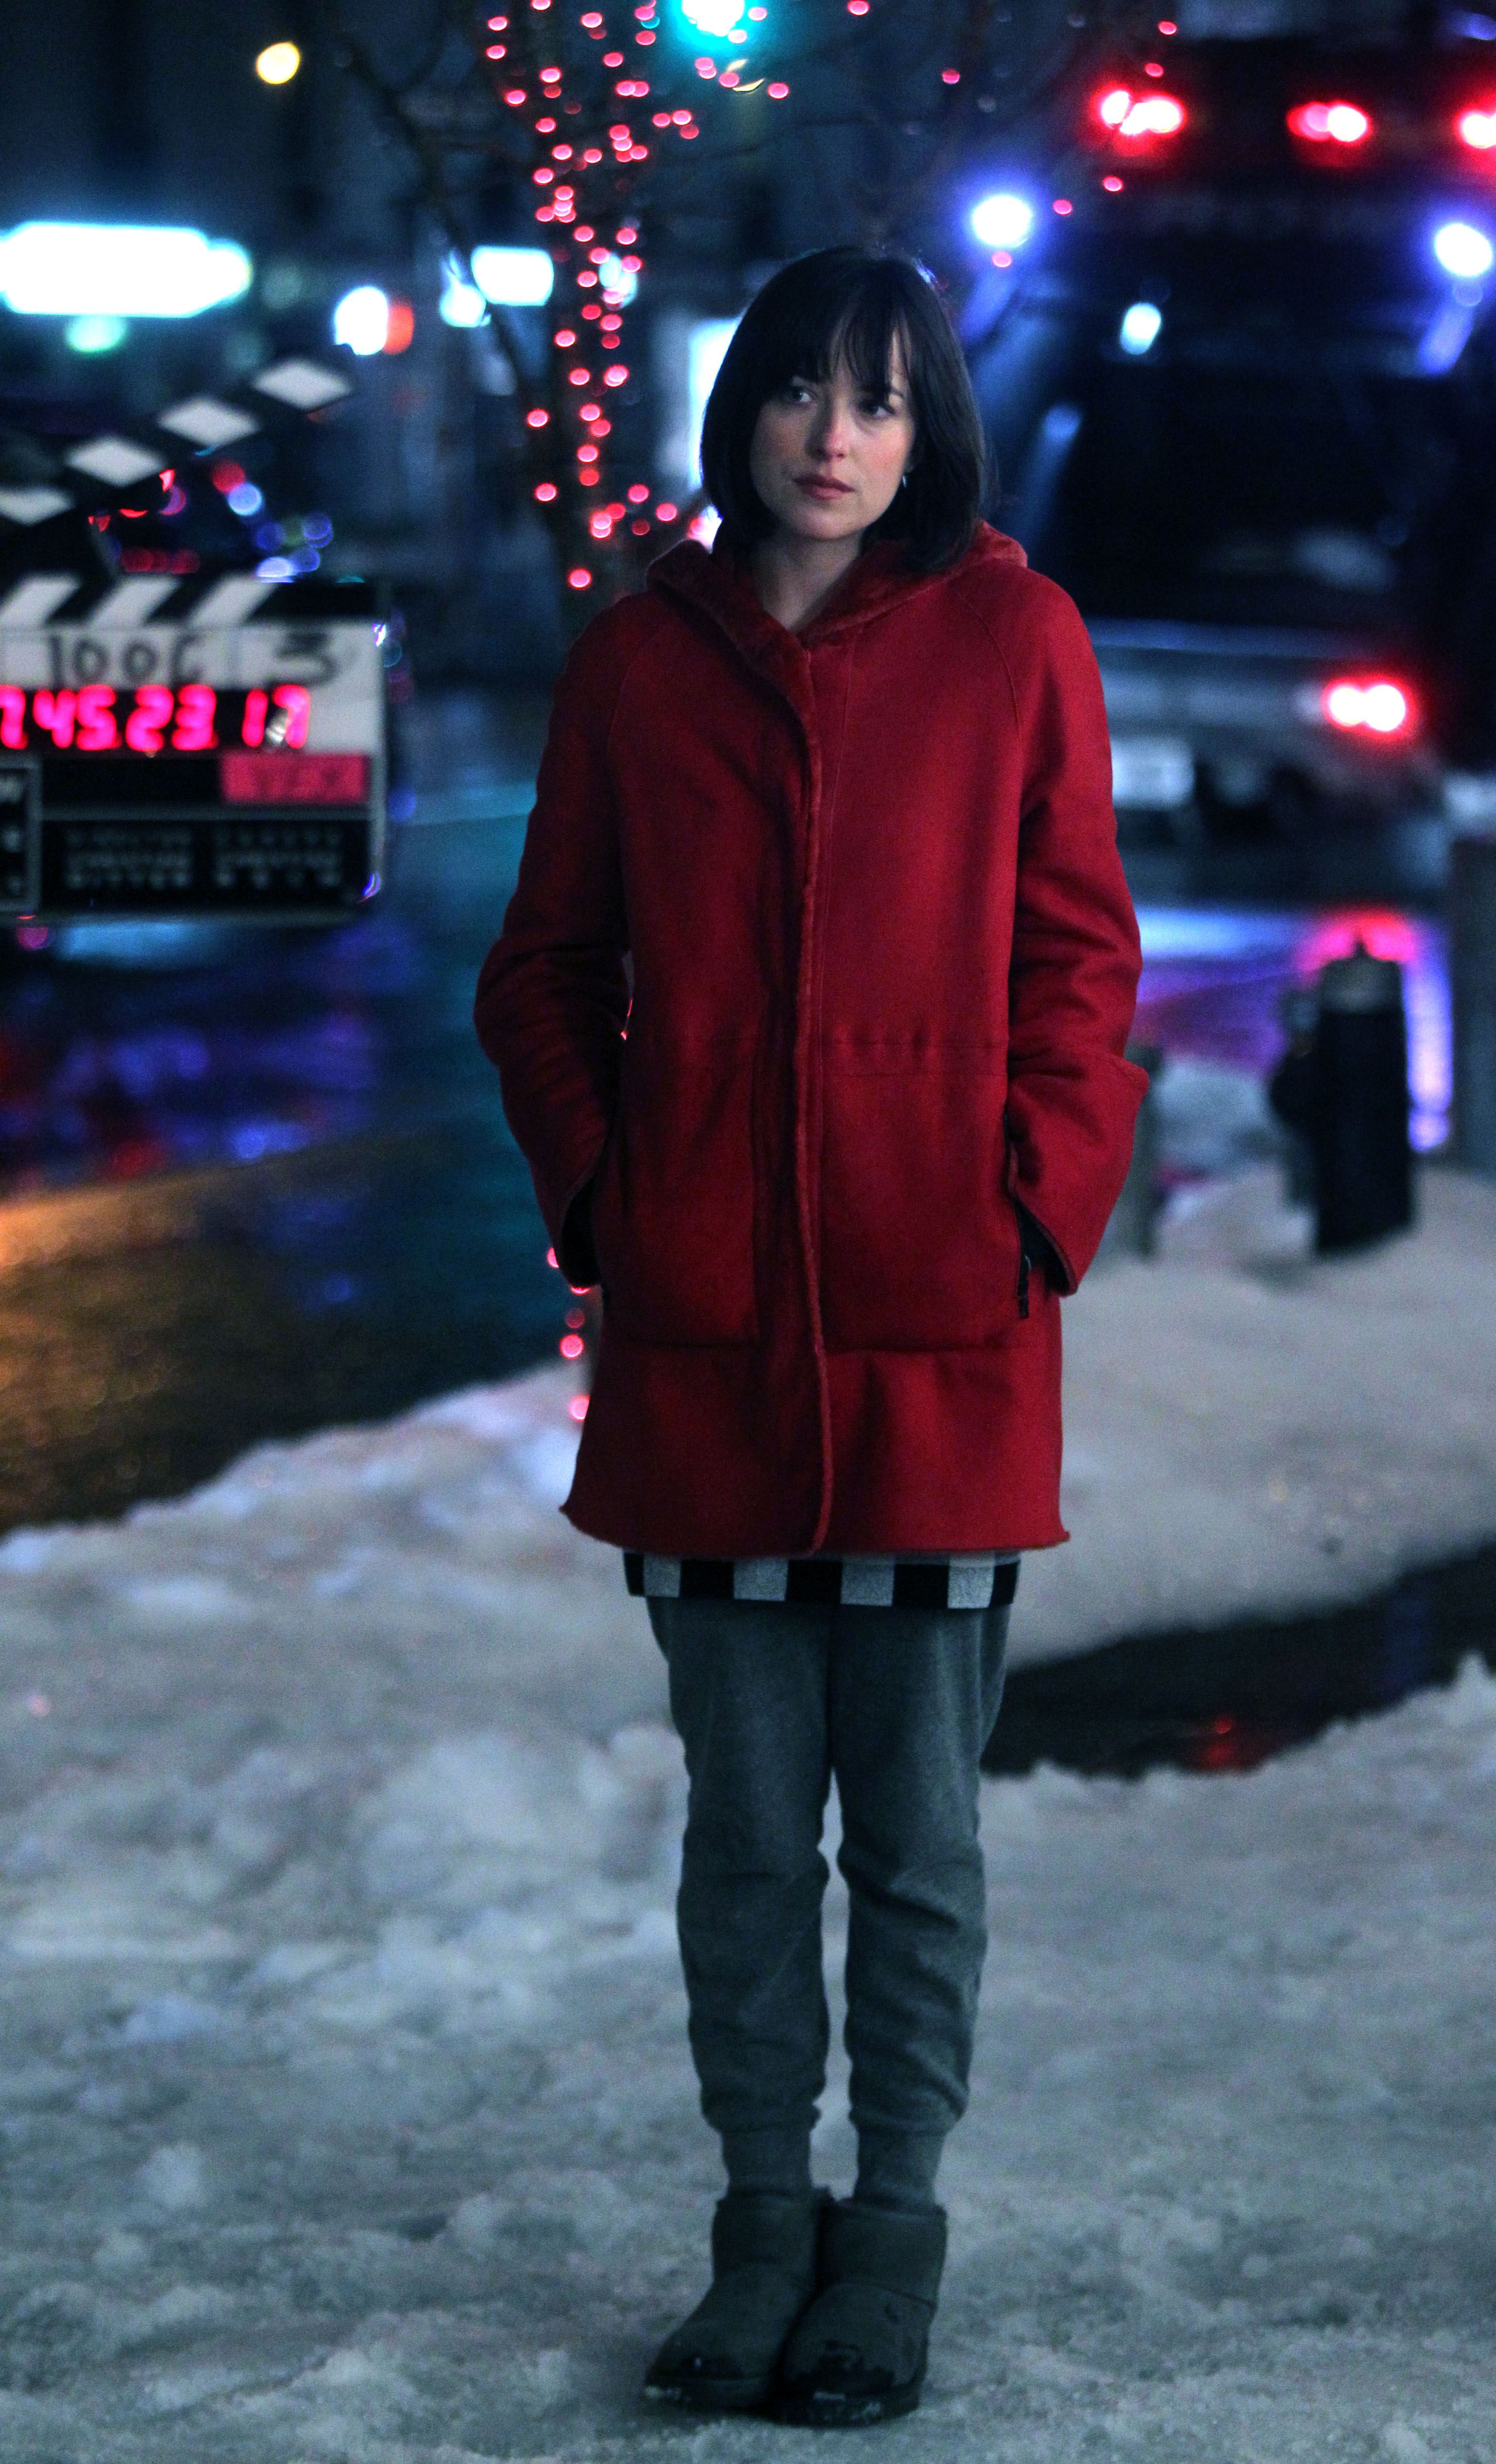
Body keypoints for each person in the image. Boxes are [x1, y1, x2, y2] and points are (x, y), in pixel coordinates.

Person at [475, 246, 1145, 2428]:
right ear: (742, 409)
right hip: (708, 1341)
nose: (832, 436)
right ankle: (763, 2223)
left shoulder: (1016, 640)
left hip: (945, 1335)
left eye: (877, 399)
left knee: (920, 1842)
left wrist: (1028, 1204)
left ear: (926, 425)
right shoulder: (640, 661)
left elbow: (1081, 964)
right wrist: (614, 1197)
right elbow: (542, 969)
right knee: (750, 1837)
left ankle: (896, 2230)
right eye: (797, 392)